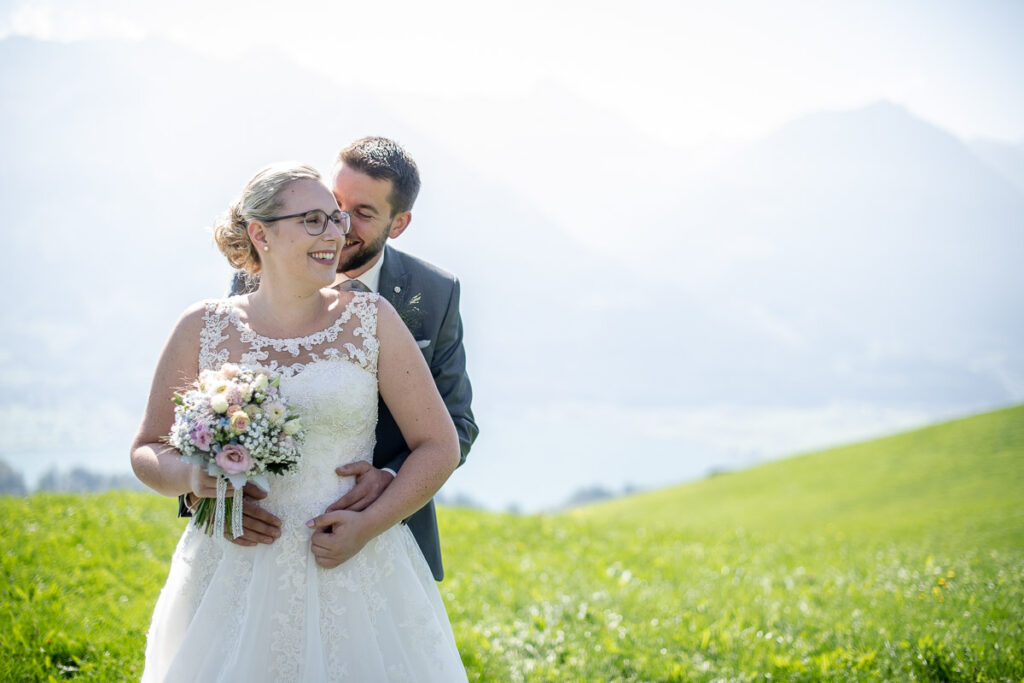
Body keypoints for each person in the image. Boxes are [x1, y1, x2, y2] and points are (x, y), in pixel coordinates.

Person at [131, 162, 468, 681]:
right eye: (314, 220)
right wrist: (198, 480)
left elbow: (439, 444)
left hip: (352, 564)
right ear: (261, 234)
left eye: (335, 219)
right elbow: (148, 449)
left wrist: (369, 524)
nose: (336, 233)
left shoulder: (371, 318)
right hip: (231, 565)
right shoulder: (203, 325)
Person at [187, 137, 477, 581]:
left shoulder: (433, 294)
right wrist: (207, 491)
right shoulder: (258, 274)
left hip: (379, 537)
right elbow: (213, 398)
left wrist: (388, 479)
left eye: (362, 213)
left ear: (398, 224)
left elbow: (456, 423)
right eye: (332, 204)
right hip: (255, 535)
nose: (337, 225)